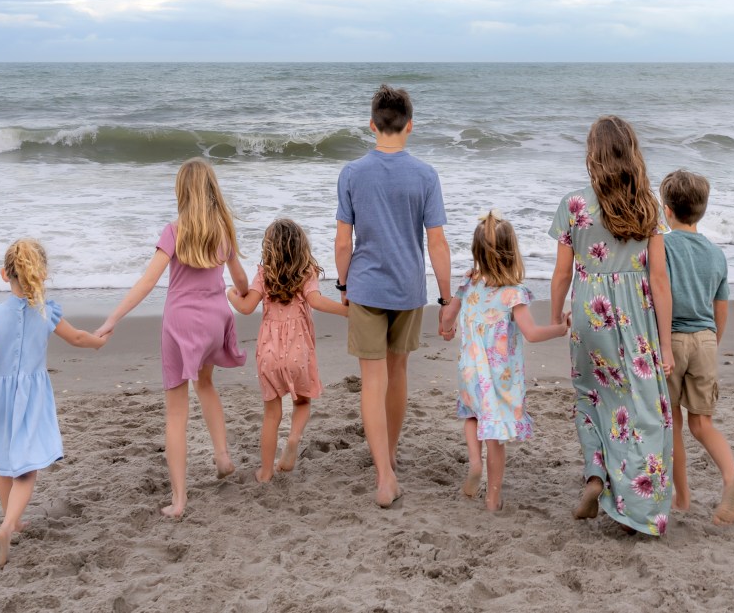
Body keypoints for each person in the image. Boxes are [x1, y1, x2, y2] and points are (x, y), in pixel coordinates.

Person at [95, 158, 249, 518]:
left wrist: (112, 319)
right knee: (206, 384)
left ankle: (179, 501)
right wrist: (241, 296)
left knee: (176, 412)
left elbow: (148, 282)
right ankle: (222, 456)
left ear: (182, 191)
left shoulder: (174, 231)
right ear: (212, 190)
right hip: (215, 321)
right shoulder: (223, 231)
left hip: (181, 325)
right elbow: (240, 281)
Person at [548, 115, 675, 536]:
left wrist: (556, 316)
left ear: (593, 155)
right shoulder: (649, 207)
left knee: (590, 397)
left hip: (589, 311)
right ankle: (638, 509)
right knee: (639, 407)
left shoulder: (574, 205)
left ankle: (595, 478)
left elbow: (562, 274)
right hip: (635, 315)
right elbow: (659, 280)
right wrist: (667, 346)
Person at [335, 84, 452, 507]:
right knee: (398, 372)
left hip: (366, 286)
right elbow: (436, 243)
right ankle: (392, 453)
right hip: (407, 288)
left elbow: (342, 241)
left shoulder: (352, 173)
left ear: (372, 124)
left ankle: (383, 474)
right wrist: (445, 298)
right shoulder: (424, 175)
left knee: (372, 381)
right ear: (409, 126)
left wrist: (344, 285)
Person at [0, 238, 105, 569]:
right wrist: (98, 342)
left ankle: (10, 518)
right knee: (26, 468)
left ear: (3, 274)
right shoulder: (46, 312)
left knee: (5, 462)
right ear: (40, 273)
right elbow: (78, 338)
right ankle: (9, 525)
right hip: (32, 395)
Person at [439, 211, 571, 511]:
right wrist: (561, 328)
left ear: (476, 252)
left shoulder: (469, 282)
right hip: (500, 376)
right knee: (495, 436)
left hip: (470, 369)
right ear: (512, 253)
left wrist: (447, 329)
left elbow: (448, 315)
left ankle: (475, 462)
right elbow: (532, 333)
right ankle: (493, 498)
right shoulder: (514, 294)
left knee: (473, 415)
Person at [228, 219, 349, 483]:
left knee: (272, 415)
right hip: (299, 350)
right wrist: (347, 311)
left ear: (269, 248)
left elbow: (246, 307)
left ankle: (266, 472)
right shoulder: (307, 271)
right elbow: (315, 301)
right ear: (301, 246)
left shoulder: (265, 273)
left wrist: (230, 293)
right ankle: (293, 439)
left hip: (269, 352)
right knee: (302, 402)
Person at [659, 169, 734, 525]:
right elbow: (720, 308)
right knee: (702, 423)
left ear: (665, 209)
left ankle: (682, 496)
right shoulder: (716, 254)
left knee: (673, 422)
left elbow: (657, 296)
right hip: (707, 341)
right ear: (703, 210)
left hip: (672, 340)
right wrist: (711, 342)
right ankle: (732, 477)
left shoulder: (660, 246)